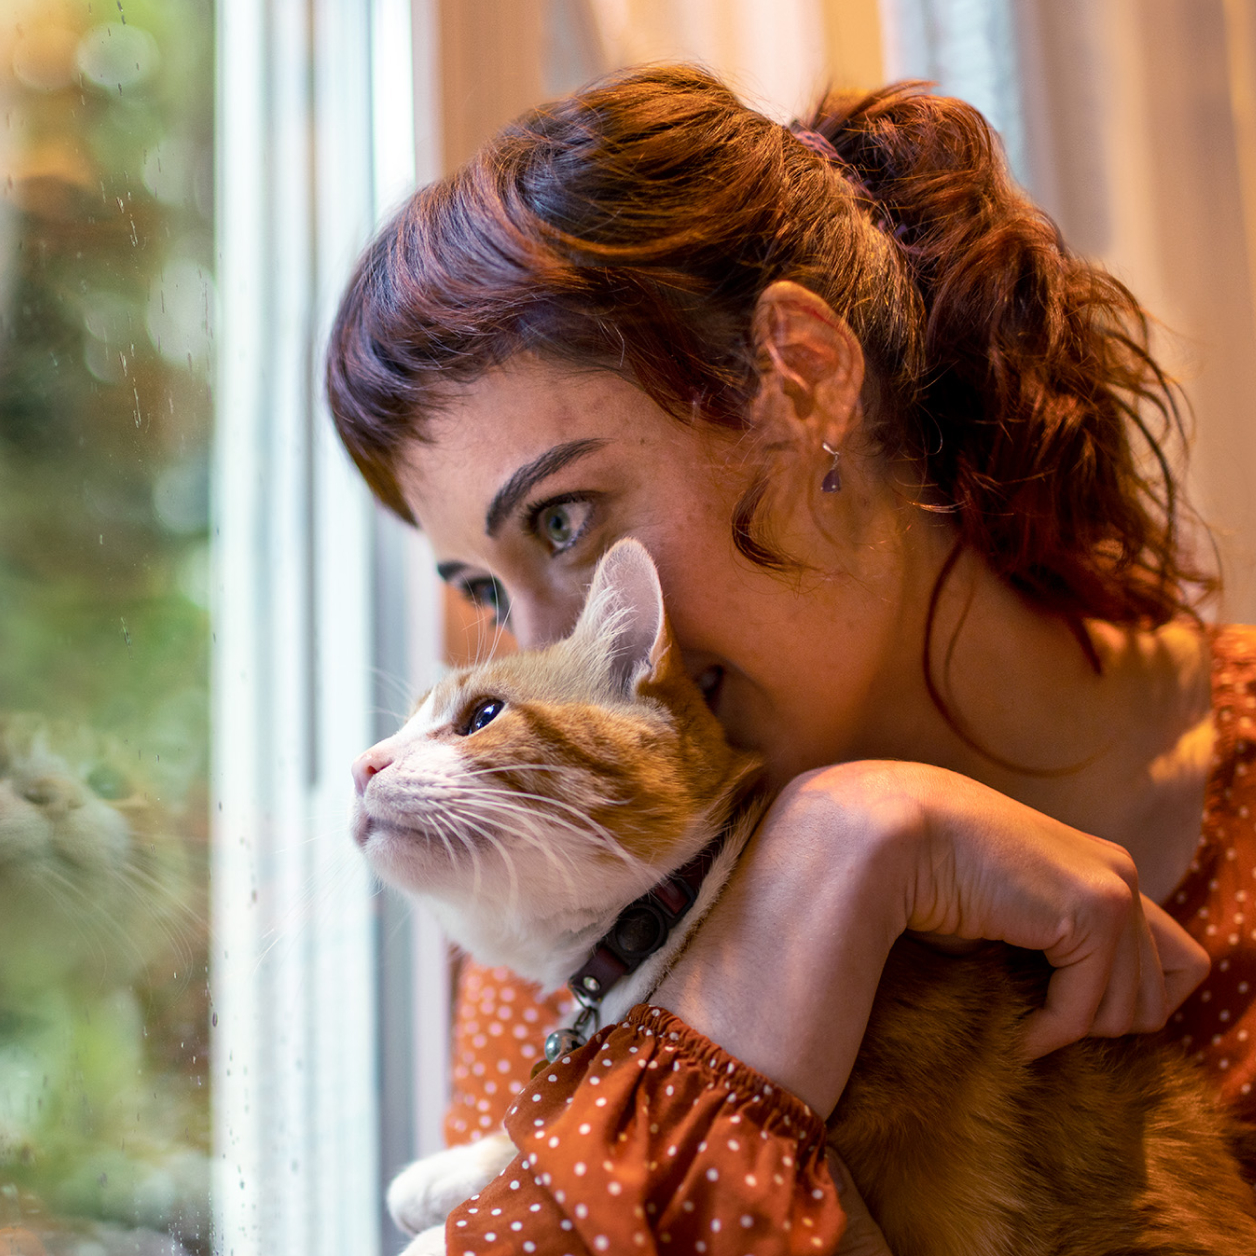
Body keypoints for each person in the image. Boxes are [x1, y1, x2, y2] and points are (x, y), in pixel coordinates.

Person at [326, 65, 1256, 1253]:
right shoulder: (581, 885)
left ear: (801, 377)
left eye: (563, 520)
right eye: (482, 590)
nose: (551, 648)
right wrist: (834, 859)